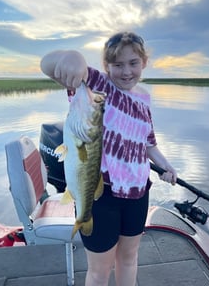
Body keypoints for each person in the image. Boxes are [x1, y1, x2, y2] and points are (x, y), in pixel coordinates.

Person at [40, 31, 177, 286]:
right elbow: (48, 64)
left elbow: (148, 144)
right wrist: (73, 57)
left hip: (138, 191)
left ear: (144, 63)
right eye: (117, 65)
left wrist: (166, 166)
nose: (126, 72)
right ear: (106, 66)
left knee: (129, 257)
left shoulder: (144, 99)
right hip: (100, 195)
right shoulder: (97, 87)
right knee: (99, 270)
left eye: (133, 63)